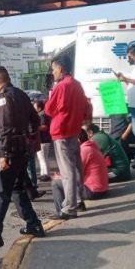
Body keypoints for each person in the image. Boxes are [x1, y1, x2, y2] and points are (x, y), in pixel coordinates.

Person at [0, 67, 44, 249]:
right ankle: (33, 224)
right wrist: (25, 136)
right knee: (17, 188)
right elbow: (35, 121)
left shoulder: (3, 97)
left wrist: (4, 155)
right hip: (21, 151)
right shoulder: (21, 94)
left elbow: (4, 128)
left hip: (9, 153)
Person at [45, 54, 91, 221]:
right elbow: (87, 106)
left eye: (53, 69)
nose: (53, 73)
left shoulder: (61, 86)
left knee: (67, 170)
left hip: (61, 131)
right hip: (74, 130)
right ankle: (79, 200)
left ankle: (70, 207)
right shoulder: (77, 85)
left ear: (60, 68)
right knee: (76, 167)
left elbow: (49, 110)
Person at [51, 125, 109, 215]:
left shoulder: (84, 150)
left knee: (56, 183)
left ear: (77, 140)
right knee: (69, 180)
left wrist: (58, 176)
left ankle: (61, 212)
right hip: (100, 188)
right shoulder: (90, 146)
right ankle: (78, 203)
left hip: (93, 190)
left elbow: (74, 173)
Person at [33, 100, 51, 181]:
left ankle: (45, 174)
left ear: (39, 108)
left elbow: (44, 127)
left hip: (42, 139)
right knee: (44, 158)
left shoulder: (41, 115)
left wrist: (34, 128)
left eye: (35, 107)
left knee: (42, 158)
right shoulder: (43, 114)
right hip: (46, 139)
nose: (34, 108)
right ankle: (44, 173)